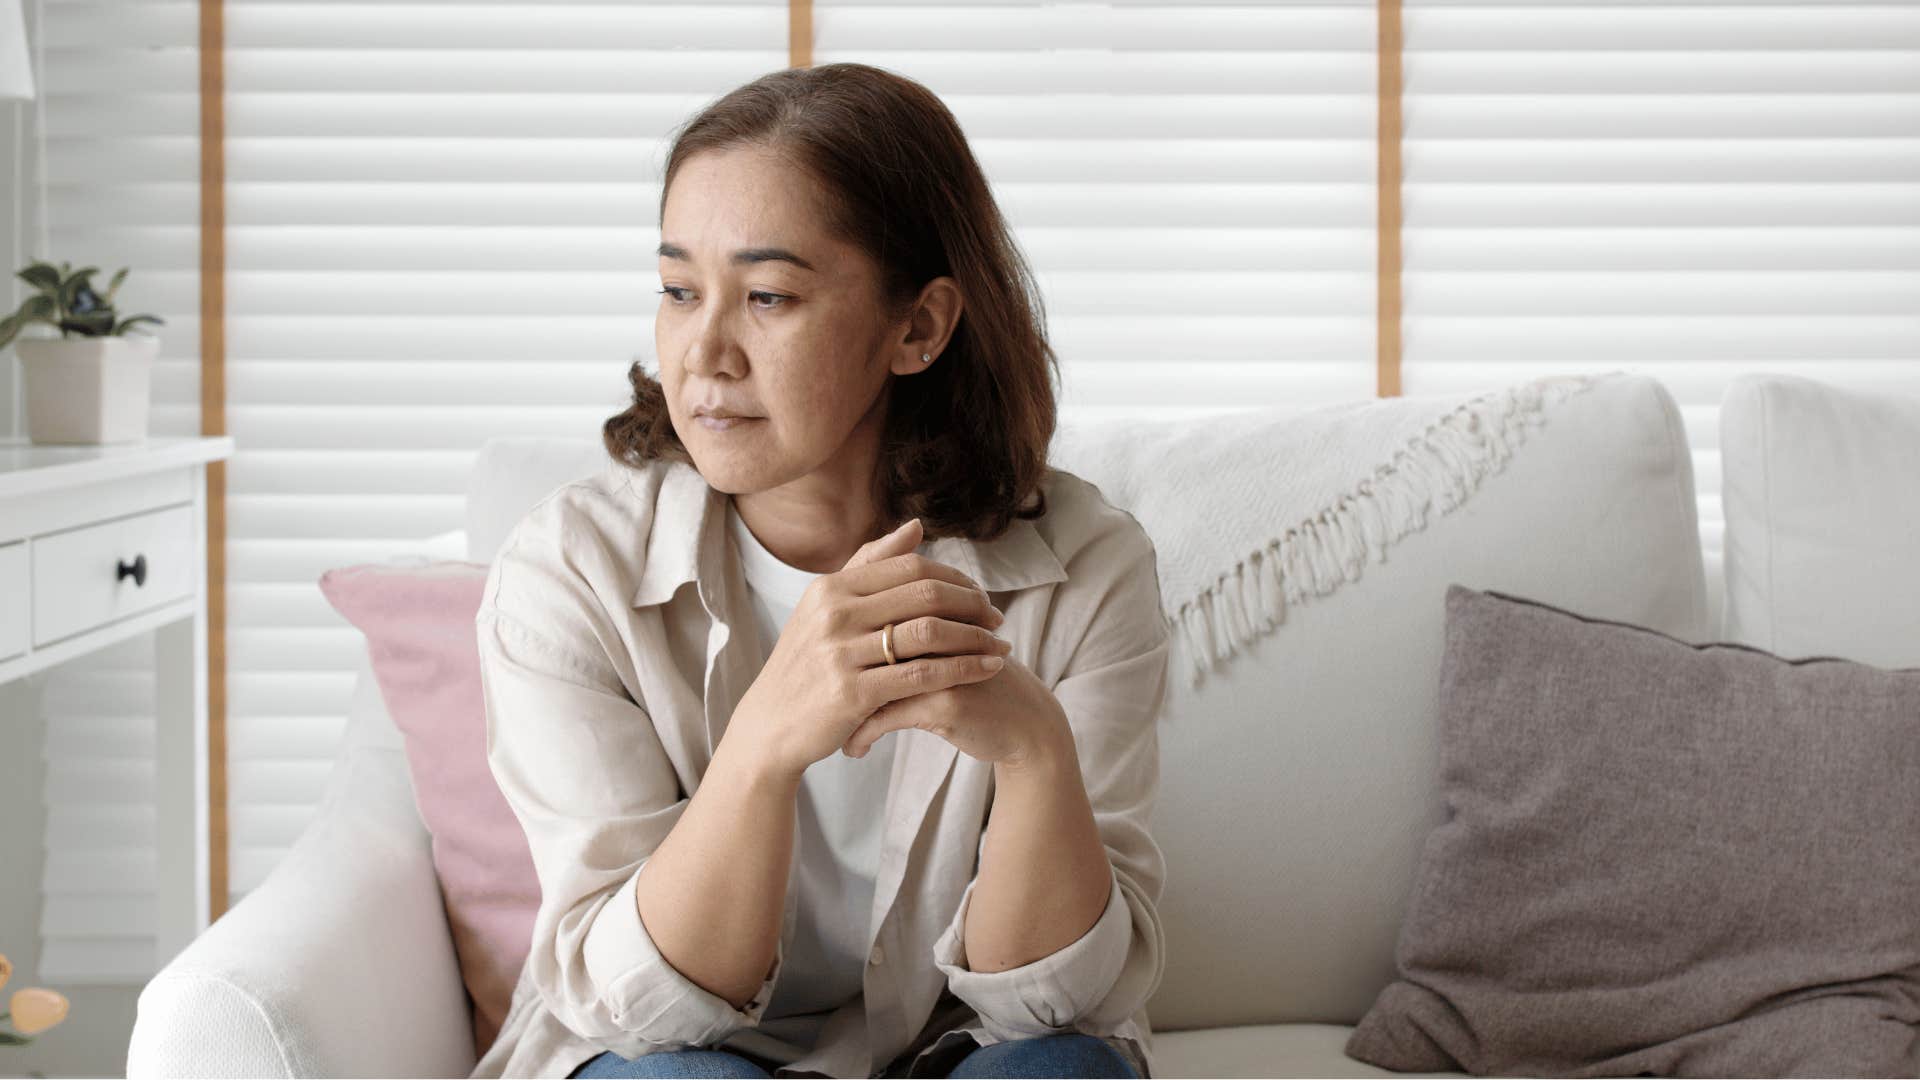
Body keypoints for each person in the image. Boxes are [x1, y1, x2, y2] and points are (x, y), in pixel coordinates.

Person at [467, 62, 1171, 1080]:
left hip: (951, 1046)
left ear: (918, 327)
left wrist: (1032, 753)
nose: (703, 352)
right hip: (672, 1051)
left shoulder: (1087, 568)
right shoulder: (569, 572)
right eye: (676, 291)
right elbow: (643, 1004)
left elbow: (1059, 1001)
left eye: (767, 296)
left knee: (1059, 1069)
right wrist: (763, 743)